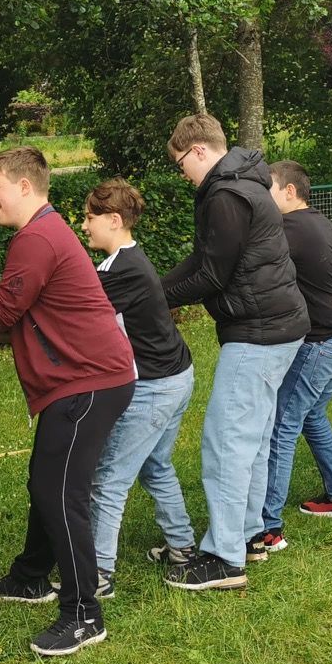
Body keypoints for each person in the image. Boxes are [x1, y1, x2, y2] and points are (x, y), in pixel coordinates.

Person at [0, 147, 136, 656]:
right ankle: (30, 577)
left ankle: (84, 613)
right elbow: (15, 315)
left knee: (61, 492)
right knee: (47, 482)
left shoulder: (37, 238)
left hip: (89, 382)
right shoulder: (44, 231)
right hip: (85, 379)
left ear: (24, 186)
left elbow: (1, 312)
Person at [161, 114, 309, 589]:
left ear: (199, 151)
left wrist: (155, 299)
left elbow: (212, 275)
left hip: (257, 331)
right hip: (280, 326)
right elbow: (204, 258)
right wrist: (154, 287)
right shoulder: (245, 182)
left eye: (181, 164)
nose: (183, 174)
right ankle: (248, 535)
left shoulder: (225, 194)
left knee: (226, 442)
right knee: (253, 440)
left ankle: (224, 558)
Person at [81, 179, 197, 595]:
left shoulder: (120, 271)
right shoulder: (126, 260)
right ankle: (182, 546)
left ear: (114, 220)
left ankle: (99, 575)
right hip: (177, 377)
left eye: (90, 218)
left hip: (156, 387)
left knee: (108, 478)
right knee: (155, 464)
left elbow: (76, 308)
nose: (84, 226)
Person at [252, 160, 332, 553]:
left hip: (326, 340)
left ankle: (267, 526)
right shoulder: (317, 221)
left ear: (289, 192)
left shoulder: (288, 230)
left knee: (282, 424)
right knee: (312, 413)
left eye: (266, 189)